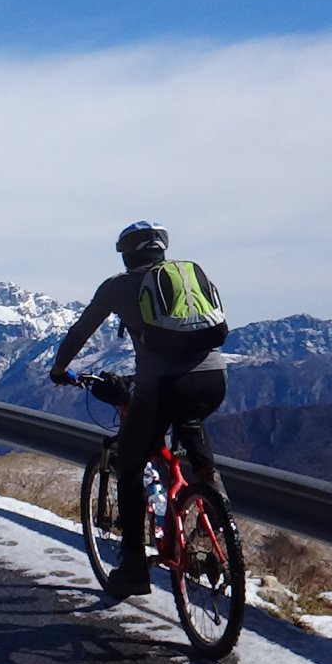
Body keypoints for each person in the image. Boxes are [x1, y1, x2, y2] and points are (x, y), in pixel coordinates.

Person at [50, 221, 228, 599]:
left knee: (129, 464)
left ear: (126, 255)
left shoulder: (117, 287)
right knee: (190, 424)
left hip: (163, 385)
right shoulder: (187, 278)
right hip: (214, 379)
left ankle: (132, 568)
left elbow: (80, 331)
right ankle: (214, 510)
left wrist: (60, 369)